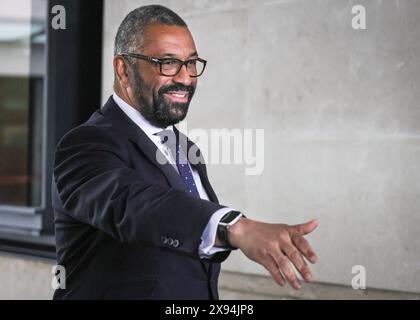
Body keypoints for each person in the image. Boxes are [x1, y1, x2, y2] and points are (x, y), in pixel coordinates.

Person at [52, 4, 319, 300]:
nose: (185, 78)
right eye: (167, 63)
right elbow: (133, 205)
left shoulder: (184, 148)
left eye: (191, 63)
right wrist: (234, 227)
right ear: (123, 69)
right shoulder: (85, 144)